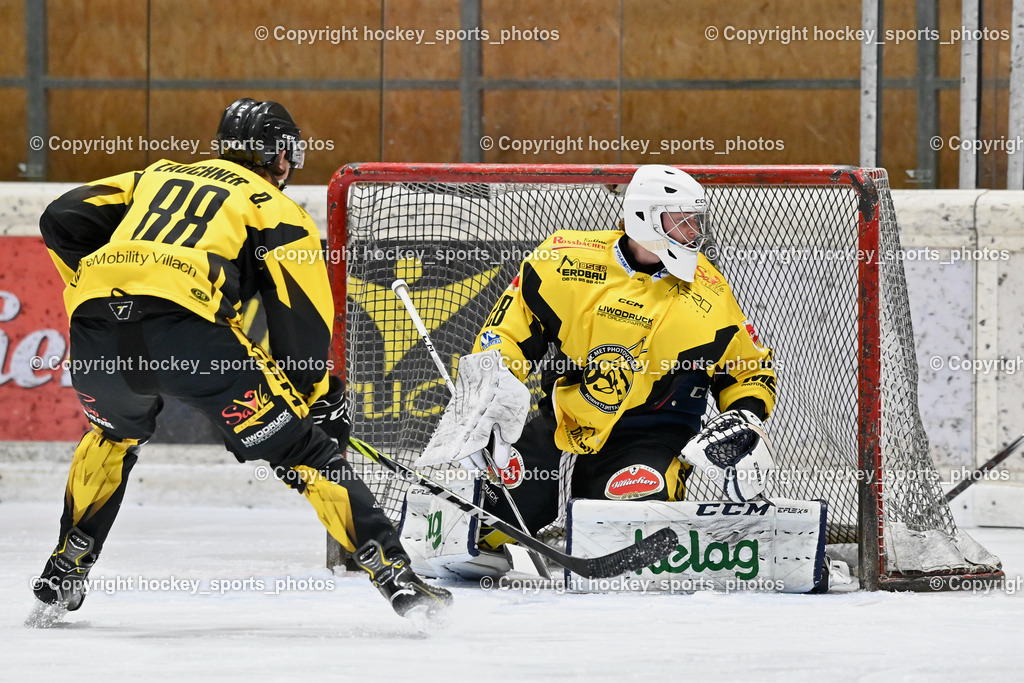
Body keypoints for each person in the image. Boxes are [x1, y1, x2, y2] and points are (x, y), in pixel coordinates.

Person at [29, 97, 450, 626]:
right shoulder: (273, 206)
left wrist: (96, 282)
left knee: (111, 438)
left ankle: (65, 572)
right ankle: (399, 580)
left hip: (95, 332)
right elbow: (302, 316)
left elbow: (61, 218)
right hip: (188, 338)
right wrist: (317, 399)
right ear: (278, 156)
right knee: (308, 455)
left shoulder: (156, 176)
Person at [417, 165, 777, 546]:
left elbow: (748, 369)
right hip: (561, 422)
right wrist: (489, 395)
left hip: (650, 434)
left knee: (634, 531)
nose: (694, 233)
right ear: (642, 218)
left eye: (696, 222)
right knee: (471, 531)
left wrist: (745, 416)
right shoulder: (564, 261)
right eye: (681, 221)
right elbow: (505, 334)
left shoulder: (709, 292)